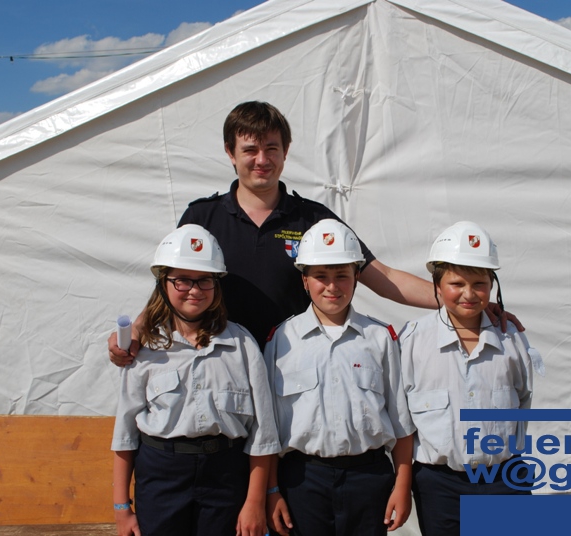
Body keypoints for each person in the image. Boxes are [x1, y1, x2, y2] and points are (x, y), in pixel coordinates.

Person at [109, 101, 521, 361]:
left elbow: (383, 277)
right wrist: (138, 330)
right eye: (250, 149)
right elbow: (172, 285)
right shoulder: (202, 217)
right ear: (230, 154)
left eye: (271, 148)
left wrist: (461, 301)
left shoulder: (314, 220)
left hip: (294, 362)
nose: (262, 159)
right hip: (219, 361)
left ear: (285, 152)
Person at [111, 225, 280, 536]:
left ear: (216, 284)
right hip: (161, 476)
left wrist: (255, 501)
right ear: (163, 283)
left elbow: (263, 432)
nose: (194, 289)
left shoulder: (241, 345)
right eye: (182, 280)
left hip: (226, 476)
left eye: (205, 280)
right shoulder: (145, 349)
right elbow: (125, 433)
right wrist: (122, 508)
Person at [264, 219, 414, 536]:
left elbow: (400, 420)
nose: (332, 286)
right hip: (302, 479)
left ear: (357, 277)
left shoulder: (380, 337)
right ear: (304, 281)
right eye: (321, 276)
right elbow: (270, 426)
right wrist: (272, 489)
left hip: (369, 477)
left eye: (342, 276)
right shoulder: (282, 340)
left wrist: (402, 485)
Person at [399, 221, 544, 536]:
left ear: (492, 285)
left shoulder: (511, 339)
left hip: (504, 478)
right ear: (437, 285)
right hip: (439, 485)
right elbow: (403, 421)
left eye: (479, 284)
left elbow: (523, 399)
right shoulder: (412, 341)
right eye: (456, 283)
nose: (468, 293)